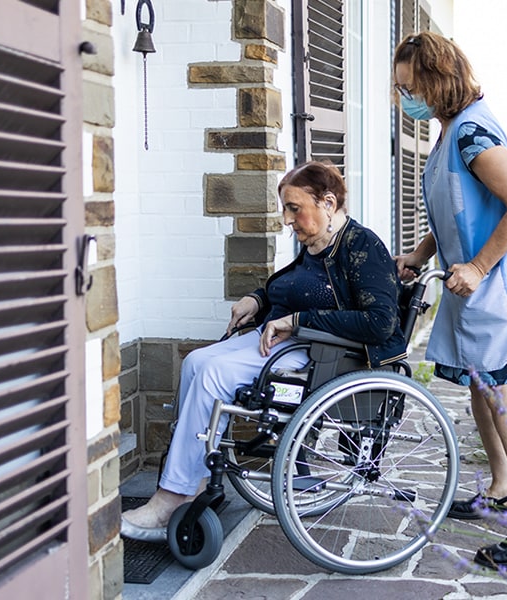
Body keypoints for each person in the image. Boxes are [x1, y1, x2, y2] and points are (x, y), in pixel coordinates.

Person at [121, 161, 406, 542]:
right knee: (196, 362)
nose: (288, 220)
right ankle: (194, 478)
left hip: (328, 355)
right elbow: (294, 285)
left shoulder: (362, 246)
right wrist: (257, 299)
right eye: (285, 208)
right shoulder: (319, 243)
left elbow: (380, 323)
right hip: (295, 341)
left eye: (294, 208)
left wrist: (298, 321)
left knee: (213, 374)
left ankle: (171, 498)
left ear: (328, 202)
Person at [392, 32, 507, 571]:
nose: (404, 99)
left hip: (497, 290)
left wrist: (480, 266)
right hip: (471, 287)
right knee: (480, 390)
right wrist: (419, 255)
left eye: (409, 87)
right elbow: (455, 208)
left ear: (437, 81)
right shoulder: (448, 132)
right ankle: (504, 489)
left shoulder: (472, 134)